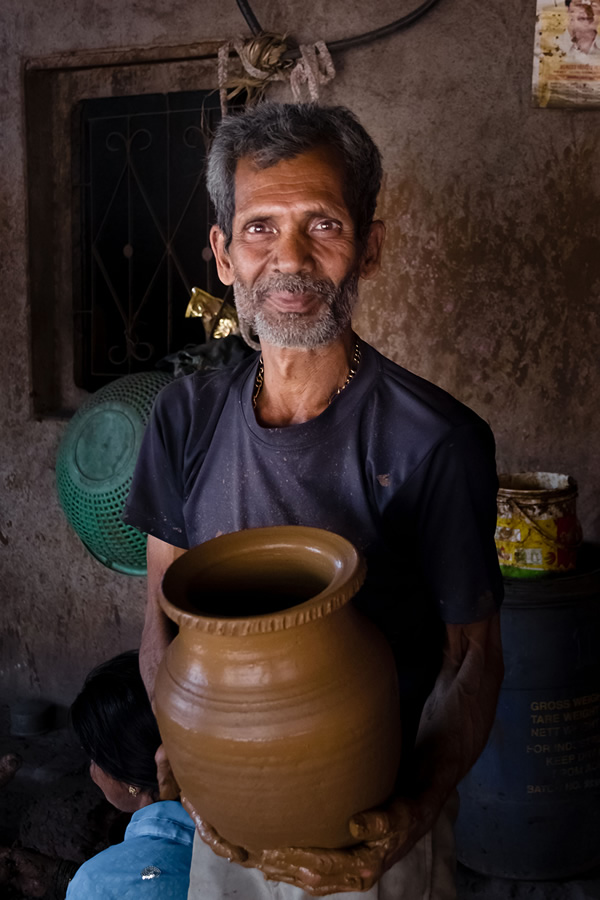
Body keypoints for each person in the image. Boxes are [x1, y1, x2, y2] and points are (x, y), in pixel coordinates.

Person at [123, 102, 504, 899]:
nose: (289, 259)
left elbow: (472, 660)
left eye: (323, 224)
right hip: (221, 819)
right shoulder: (183, 417)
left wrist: (415, 811)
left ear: (370, 246)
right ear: (223, 255)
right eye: (260, 228)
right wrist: (189, 756)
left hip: (370, 833)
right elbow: (158, 621)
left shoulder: (434, 440)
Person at [66, 650, 195, 899]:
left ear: (130, 782)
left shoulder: (98, 884)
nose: (92, 770)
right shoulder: (266, 840)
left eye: (95, 758)